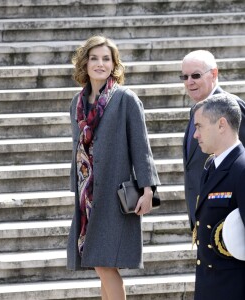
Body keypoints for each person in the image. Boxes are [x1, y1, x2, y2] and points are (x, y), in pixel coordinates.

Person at [66, 35, 160, 300]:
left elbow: (141, 147)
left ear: (114, 64)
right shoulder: (77, 103)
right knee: (100, 261)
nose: (100, 63)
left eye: (106, 59)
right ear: (84, 63)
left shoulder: (125, 99)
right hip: (87, 195)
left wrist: (148, 189)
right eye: (94, 58)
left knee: (105, 264)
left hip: (113, 192)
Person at [181, 50, 245, 230]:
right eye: (184, 77)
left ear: (214, 74)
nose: (189, 82)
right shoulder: (197, 110)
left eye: (195, 75)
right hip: (203, 215)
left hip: (226, 223)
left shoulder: (231, 106)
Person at [192, 93, 245, 300]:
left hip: (233, 288)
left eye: (199, 126)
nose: (195, 135)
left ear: (221, 125)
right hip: (210, 285)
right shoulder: (211, 166)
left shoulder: (241, 169)